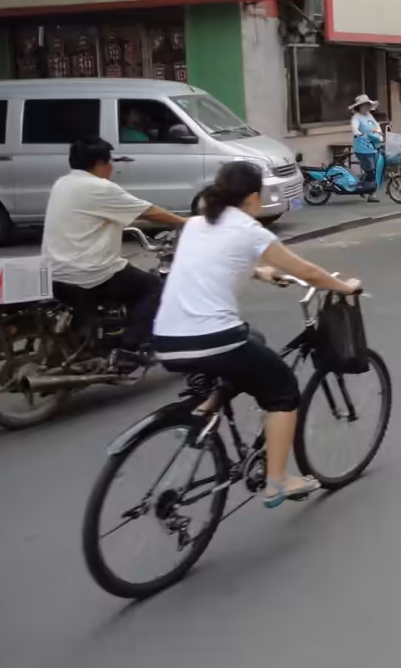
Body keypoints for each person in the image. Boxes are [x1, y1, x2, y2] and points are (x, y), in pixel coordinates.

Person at [152, 161, 362, 507]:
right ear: (252, 197)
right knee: (283, 394)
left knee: (255, 342)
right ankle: (277, 481)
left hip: (166, 339)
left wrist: (261, 273)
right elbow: (307, 271)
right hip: (214, 339)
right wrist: (346, 287)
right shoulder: (251, 230)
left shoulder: (195, 225)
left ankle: (204, 410)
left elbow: (215, 262)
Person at [42, 137, 188, 363]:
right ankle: (129, 347)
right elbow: (149, 212)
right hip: (88, 272)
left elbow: (100, 215)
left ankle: (99, 339)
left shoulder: (62, 183)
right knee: (153, 288)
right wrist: (185, 222)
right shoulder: (99, 187)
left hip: (55, 271)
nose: (112, 167)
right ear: (100, 163)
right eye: (110, 162)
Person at [350, 95, 384, 202]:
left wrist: (379, 134)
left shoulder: (369, 116)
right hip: (362, 148)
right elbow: (354, 127)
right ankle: (370, 194)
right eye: (364, 105)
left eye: (368, 105)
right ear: (359, 107)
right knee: (371, 171)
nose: (367, 107)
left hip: (373, 146)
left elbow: (375, 126)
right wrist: (358, 133)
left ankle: (362, 186)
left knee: (374, 170)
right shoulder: (356, 117)